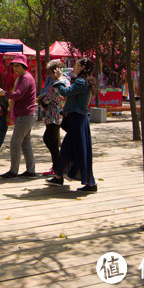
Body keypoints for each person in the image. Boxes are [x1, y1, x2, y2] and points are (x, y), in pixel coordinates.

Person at [46, 58, 98, 192]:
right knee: (66, 148)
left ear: (83, 67)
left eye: (76, 65)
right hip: (77, 120)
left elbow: (65, 92)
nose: (74, 67)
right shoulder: (83, 81)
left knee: (80, 151)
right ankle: (59, 176)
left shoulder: (81, 81)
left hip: (77, 120)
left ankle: (90, 183)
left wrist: (59, 79)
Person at [0, 54, 37, 179]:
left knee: (15, 142)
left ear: (24, 66)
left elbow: (18, 95)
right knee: (25, 142)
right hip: (27, 114)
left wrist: (5, 94)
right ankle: (30, 170)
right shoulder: (23, 77)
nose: (15, 68)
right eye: (14, 65)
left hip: (25, 115)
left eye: (18, 65)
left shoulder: (25, 78)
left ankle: (14, 171)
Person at [39, 60, 69, 176]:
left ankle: (58, 167)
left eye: (51, 73)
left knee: (52, 141)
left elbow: (47, 98)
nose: (50, 75)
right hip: (56, 114)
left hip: (53, 115)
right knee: (50, 140)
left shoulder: (56, 82)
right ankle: (58, 165)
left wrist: (41, 99)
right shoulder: (65, 80)